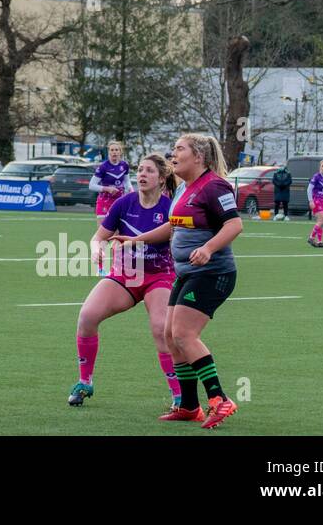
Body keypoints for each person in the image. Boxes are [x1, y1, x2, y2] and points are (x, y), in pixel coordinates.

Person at [121, 133, 243, 429]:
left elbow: (235, 224)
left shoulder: (214, 186)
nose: (172, 154)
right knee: (168, 334)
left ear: (198, 157)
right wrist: (137, 239)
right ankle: (189, 406)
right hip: (189, 273)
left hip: (213, 273)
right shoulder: (184, 188)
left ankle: (220, 399)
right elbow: (171, 227)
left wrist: (208, 248)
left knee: (184, 335)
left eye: (179, 149)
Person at [67, 153, 179, 409]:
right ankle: (85, 382)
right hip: (125, 275)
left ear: (162, 179)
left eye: (150, 171)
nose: (142, 174)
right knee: (87, 317)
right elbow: (98, 237)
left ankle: (179, 395)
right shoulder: (123, 203)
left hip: (159, 276)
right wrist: (96, 248)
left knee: (161, 329)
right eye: (140, 170)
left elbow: (177, 236)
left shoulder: (170, 208)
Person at [90, 141, 132, 273]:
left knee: (118, 236)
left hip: (119, 202)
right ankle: (100, 268)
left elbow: (126, 181)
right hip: (104, 203)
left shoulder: (124, 165)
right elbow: (92, 185)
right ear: (108, 152)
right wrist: (106, 188)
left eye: (116, 150)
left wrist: (131, 191)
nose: (114, 152)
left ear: (120, 152)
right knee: (103, 236)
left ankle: (117, 266)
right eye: (112, 150)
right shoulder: (103, 167)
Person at [307, 160, 323, 248]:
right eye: (322, 166)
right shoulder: (316, 176)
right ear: (320, 167)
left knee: (322, 223)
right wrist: (311, 201)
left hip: (322, 201)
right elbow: (309, 189)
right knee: (322, 221)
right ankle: (311, 237)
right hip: (316, 200)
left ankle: (319, 242)